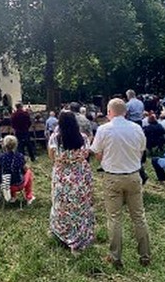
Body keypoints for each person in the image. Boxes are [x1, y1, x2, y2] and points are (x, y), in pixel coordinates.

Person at [90, 98, 150, 268]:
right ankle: (145, 255)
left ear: (109, 112)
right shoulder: (136, 128)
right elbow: (141, 151)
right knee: (138, 216)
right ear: (126, 112)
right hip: (133, 175)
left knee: (114, 218)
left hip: (112, 176)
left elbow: (96, 152)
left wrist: (106, 161)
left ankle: (115, 257)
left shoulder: (103, 129)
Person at [47, 111, 95, 254]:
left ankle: (62, 232)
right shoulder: (84, 138)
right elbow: (86, 154)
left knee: (61, 204)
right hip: (80, 175)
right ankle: (79, 234)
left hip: (62, 175)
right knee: (80, 204)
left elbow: (51, 156)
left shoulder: (55, 138)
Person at [0, 135, 35, 204]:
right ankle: (29, 196)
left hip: (5, 184)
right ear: (15, 144)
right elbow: (24, 169)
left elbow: (0, 169)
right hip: (18, 185)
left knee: (8, 173)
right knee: (29, 172)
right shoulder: (19, 156)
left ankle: (13, 196)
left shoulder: (1, 156)